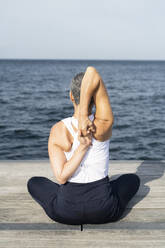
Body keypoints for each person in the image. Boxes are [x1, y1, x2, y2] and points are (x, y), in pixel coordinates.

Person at [27, 66, 140, 231]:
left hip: (66, 211)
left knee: (34, 182)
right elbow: (92, 72)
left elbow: (61, 177)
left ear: (71, 96)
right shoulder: (102, 124)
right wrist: (84, 142)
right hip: (105, 209)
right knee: (132, 180)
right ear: (94, 99)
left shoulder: (58, 130)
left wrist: (81, 129)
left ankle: (68, 195)